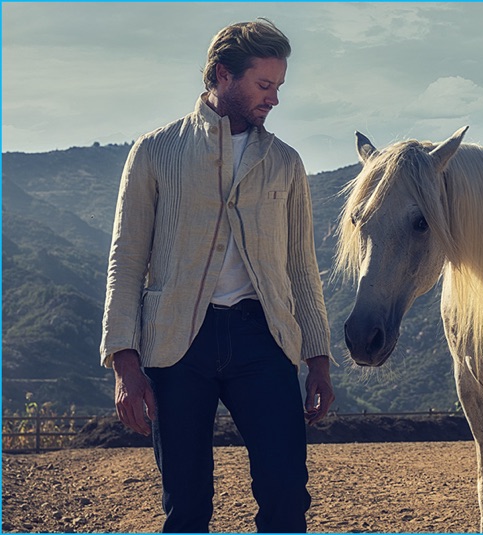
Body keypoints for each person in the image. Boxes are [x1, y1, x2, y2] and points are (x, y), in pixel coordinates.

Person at [99, 18, 335, 533]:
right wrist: (125, 362)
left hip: (263, 340)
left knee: (286, 492)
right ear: (223, 76)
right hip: (177, 343)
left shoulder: (286, 163)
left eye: (279, 87)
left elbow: (300, 268)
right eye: (264, 85)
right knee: (186, 505)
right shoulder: (155, 152)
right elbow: (127, 259)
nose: (274, 99)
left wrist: (318, 358)